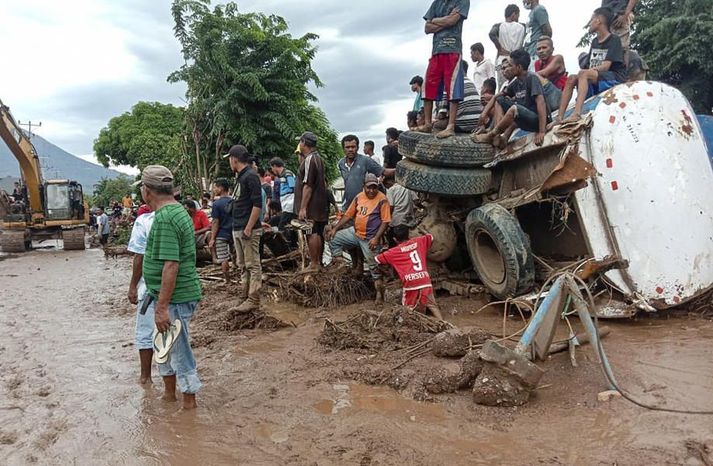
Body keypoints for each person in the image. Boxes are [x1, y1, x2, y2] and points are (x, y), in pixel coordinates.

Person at [135, 165, 202, 410]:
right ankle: (170, 396)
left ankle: (189, 403)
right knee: (164, 346)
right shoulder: (177, 212)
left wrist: (162, 307)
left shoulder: (165, 218)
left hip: (174, 298)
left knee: (178, 348)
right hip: (169, 297)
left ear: (147, 191)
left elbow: (171, 265)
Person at [552, 8, 627, 126]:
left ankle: (576, 113)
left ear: (598, 21)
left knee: (583, 73)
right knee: (571, 78)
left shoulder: (614, 40)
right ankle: (559, 118)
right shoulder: (594, 42)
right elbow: (590, 65)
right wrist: (582, 75)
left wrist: (586, 73)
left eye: (591, 20)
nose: (589, 23)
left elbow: (606, 66)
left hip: (613, 77)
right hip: (596, 75)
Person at [326, 173, 391, 302]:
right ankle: (341, 266)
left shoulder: (382, 199)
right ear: (363, 187)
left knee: (374, 267)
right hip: (355, 233)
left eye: (374, 187)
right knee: (334, 239)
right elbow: (348, 215)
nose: (371, 190)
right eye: (369, 188)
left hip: (370, 238)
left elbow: (385, 221)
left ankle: (379, 294)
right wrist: (335, 229)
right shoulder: (359, 197)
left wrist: (377, 238)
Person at [416, 0, 471, 139]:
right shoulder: (437, 3)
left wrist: (435, 21)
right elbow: (427, 28)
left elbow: (453, 21)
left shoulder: (462, 1)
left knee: (453, 89)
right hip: (436, 51)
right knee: (428, 86)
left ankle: (450, 126)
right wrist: (444, 21)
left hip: (453, 49)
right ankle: (428, 124)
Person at [474, 49, 549, 147]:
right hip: (525, 118)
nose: (508, 69)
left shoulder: (532, 78)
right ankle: (501, 137)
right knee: (500, 100)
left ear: (519, 67)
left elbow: (541, 103)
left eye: (510, 65)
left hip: (537, 120)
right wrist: (484, 114)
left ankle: (491, 135)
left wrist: (542, 131)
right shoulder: (516, 83)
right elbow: (498, 96)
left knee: (515, 109)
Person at [225, 145, 264, 311]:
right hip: (238, 226)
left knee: (252, 264)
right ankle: (244, 295)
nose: (229, 162)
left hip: (247, 228)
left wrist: (249, 227)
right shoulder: (240, 177)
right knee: (242, 264)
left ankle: (253, 299)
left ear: (234, 159)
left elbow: (257, 204)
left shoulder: (251, 176)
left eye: (229, 159)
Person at [375, 226, 444, 320]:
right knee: (432, 305)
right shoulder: (419, 241)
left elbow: (377, 259)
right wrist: (422, 230)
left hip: (410, 282)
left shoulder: (394, 252)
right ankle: (444, 324)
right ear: (408, 235)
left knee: (407, 308)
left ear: (395, 239)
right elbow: (430, 236)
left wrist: (381, 248)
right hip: (424, 279)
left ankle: (407, 326)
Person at [294, 131, 330, 272]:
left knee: (311, 231)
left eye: (300, 142)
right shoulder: (318, 158)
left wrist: (303, 208)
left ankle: (314, 263)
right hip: (319, 204)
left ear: (304, 143)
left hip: (312, 205)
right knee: (317, 231)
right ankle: (318, 262)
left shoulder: (310, 159)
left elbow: (308, 185)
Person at [127, 206, 155, 384]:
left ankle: (145, 377)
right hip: (178, 288)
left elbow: (139, 256)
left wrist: (132, 286)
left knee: (145, 331)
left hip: (150, 289)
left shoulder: (144, 221)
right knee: (174, 333)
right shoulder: (181, 217)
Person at [338, 134, 388, 211]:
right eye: (347, 147)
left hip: (364, 205)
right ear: (343, 149)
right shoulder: (341, 163)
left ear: (357, 148)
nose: (350, 149)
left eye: (353, 147)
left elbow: (383, 172)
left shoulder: (366, 160)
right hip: (348, 205)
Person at [435, 60, 483, 133]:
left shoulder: (451, 84)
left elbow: (442, 115)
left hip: (462, 124)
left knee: (436, 125)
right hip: (477, 123)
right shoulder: (471, 83)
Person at [489, 4, 526, 87]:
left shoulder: (498, 26)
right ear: (513, 15)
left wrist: (500, 48)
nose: (518, 19)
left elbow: (491, 34)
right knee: (518, 87)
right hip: (517, 62)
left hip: (503, 61)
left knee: (503, 88)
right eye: (517, 16)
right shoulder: (523, 26)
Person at [208, 178, 234, 284]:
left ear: (221, 188)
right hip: (234, 232)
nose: (214, 189)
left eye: (215, 187)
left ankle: (227, 280)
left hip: (221, 234)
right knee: (236, 255)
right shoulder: (234, 201)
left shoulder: (216, 204)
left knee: (223, 258)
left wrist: (212, 238)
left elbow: (215, 222)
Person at [269, 157, 297, 233]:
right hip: (286, 206)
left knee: (282, 226)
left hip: (290, 206)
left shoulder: (287, 174)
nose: (272, 170)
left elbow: (294, 187)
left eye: (272, 167)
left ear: (274, 166)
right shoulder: (282, 176)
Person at [384, 178, 417, 244]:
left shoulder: (391, 190)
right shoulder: (408, 187)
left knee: (395, 242)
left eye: (386, 186)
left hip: (397, 221)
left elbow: (391, 206)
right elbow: (416, 200)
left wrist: (387, 221)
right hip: (408, 220)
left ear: (389, 182)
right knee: (406, 241)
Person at [523, 0, 552, 69]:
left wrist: (542, 49)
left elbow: (547, 31)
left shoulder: (539, 9)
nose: (523, 1)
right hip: (529, 53)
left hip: (536, 53)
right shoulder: (532, 12)